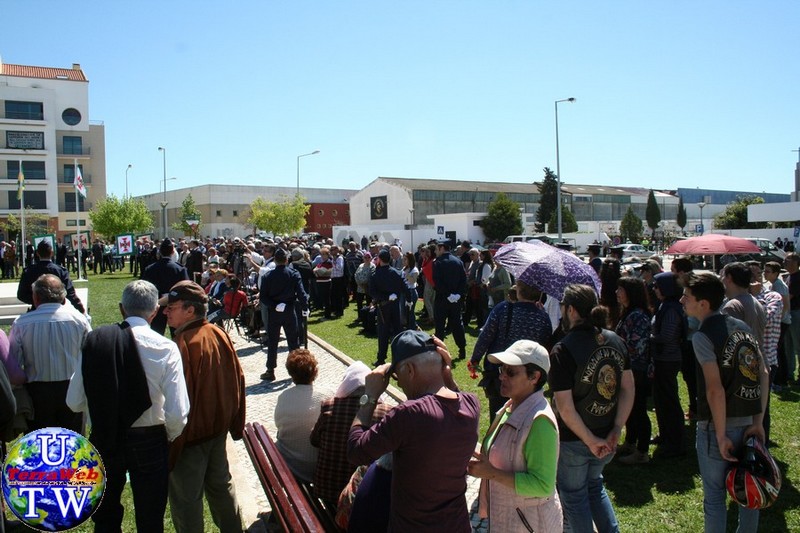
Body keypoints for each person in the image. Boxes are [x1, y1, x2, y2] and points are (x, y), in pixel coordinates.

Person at [66, 280, 190, 533]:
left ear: (122, 309)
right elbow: (177, 412)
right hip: (150, 438)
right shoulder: (166, 348)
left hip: (104, 436)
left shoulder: (95, 342)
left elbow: (74, 401)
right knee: (150, 516)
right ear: (155, 311)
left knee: (105, 516)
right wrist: (167, 436)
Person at [347, 330, 479, 532]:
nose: (398, 382)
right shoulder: (471, 404)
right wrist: (446, 374)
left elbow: (356, 451)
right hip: (457, 525)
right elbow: (454, 396)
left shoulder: (409, 414)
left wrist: (370, 396)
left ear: (409, 369)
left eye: (396, 376)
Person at [680, 272, 769, 533]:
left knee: (715, 498)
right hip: (749, 426)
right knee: (749, 493)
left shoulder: (702, 337)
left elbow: (715, 390)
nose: (683, 302)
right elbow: (763, 373)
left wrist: (720, 435)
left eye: (687, 297)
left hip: (716, 429)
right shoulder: (743, 328)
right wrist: (758, 421)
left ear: (703, 304)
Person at [162, 280, 246, 533]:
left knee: (186, 500)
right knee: (221, 487)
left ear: (190, 310)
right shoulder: (219, 333)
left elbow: (178, 399)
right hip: (217, 432)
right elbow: (239, 381)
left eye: (172, 307)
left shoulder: (184, 344)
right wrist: (234, 422)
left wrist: (172, 440)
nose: (166, 312)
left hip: (191, 439)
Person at [549, 284, 634, 533]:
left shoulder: (563, 349)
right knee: (595, 486)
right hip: (606, 433)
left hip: (577, 439)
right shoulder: (616, 340)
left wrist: (589, 440)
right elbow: (628, 389)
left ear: (571, 310)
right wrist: (616, 428)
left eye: (563, 307)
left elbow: (564, 407)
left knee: (574, 496)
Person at [468, 340, 563, 532]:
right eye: (502, 369)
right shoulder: (511, 406)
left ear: (534, 377)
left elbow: (543, 485)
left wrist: (490, 473)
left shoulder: (540, 421)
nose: (501, 376)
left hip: (531, 524)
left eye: (511, 372)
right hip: (510, 520)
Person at [9, 274, 91, 432]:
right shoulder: (80, 320)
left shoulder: (21, 323)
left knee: (39, 446)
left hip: (37, 394)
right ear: (62, 296)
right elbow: (90, 357)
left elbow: (14, 363)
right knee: (72, 445)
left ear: (35, 297)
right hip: (72, 390)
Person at [310, 362, 392, 508]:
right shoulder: (387, 413)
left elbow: (314, 441)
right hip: (362, 496)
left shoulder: (329, 406)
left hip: (327, 490)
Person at [469, 280, 552, 421]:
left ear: (518, 290)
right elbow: (545, 346)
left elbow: (486, 336)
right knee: (523, 418)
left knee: (498, 416)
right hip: (527, 377)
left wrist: (475, 359)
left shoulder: (503, 309)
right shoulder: (543, 317)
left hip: (499, 372)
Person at [273, 349, 332, 484]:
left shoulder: (284, 397)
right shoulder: (327, 396)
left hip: (290, 463)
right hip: (317, 462)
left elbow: (278, 424)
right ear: (315, 372)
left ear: (291, 373)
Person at [614, 277, 653, 465]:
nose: (617, 293)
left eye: (620, 289)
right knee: (629, 407)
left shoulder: (637, 316)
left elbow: (636, 346)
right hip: (627, 368)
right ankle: (630, 442)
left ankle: (642, 451)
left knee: (638, 409)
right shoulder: (628, 313)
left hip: (637, 369)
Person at [650, 272, 687, 458]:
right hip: (661, 359)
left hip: (668, 359)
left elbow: (667, 335)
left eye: (657, 286)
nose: (654, 289)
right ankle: (665, 435)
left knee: (670, 401)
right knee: (661, 400)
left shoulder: (671, 309)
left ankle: (675, 441)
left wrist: (647, 338)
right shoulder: (665, 305)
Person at [259, 248, 309, 381]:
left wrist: (274, 305)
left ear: (275, 260)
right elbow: (301, 292)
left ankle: (270, 370)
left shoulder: (267, 276)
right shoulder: (293, 273)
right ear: (287, 260)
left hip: (274, 311)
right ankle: (296, 370)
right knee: (293, 342)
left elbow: (263, 297)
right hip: (289, 310)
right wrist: (305, 307)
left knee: (273, 341)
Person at [17, 240, 85, 314]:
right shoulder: (60, 271)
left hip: (36, 311)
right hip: (58, 312)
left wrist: (38, 301)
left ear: (37, 253)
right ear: (52, 253)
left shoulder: (29, 271)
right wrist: (82, 311)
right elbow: (70, 294)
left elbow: (21, 295)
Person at [142, 239, 190, 336]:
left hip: (157, 305)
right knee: (177, 335)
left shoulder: (150, 269)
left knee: (156, 334)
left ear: (159, 252)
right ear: (173, 252)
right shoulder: (179, 269)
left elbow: (145, 289)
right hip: (175, 305)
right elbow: (186, 288)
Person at [368, 249, 405, 366]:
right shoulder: (397, 272)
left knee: (383, 334)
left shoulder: (375, 274)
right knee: (397, 332)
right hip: (394, 306)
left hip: (383, 308)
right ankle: (399, 357)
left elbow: (372, 292)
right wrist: (393, 296)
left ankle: (381, 358)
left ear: (380, 259)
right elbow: (404, 288)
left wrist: (386, 296)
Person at [433, 240, 467, 359]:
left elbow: (438, 282)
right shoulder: (458, 261)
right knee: (457, 324)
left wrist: (448, 294)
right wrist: (457, 294)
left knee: (440, 326)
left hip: (442, 299)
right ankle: (462, 348)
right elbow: (463, 280)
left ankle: (440, 351)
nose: (436, 251)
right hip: (455, 300)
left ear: (442, 248)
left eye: (437, 248)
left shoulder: (438, 262)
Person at [402, 251, 419, 330]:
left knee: (410, 311)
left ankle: (412, 327)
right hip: (405, 291)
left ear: (410, 260)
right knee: (406, 311)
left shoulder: (414, 270)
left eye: (405, 259)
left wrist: (407, 275)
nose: (403, 261)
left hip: (411, 292)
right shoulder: (404, 268)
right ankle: (411, 326)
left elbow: (413, 281)